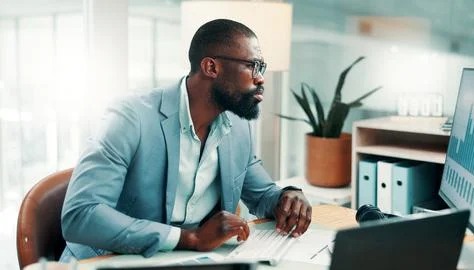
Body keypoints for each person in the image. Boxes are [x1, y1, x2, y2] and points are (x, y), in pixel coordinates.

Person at [59, 19, 311, 262]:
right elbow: (81, 215)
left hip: (189, 261)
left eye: (262, 68)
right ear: (211, 67)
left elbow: (262, 195)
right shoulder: (131, 118)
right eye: (253, 66)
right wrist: (189, 238)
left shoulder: (237, 127)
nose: (260, 78)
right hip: (108, 261)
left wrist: (289, 198)